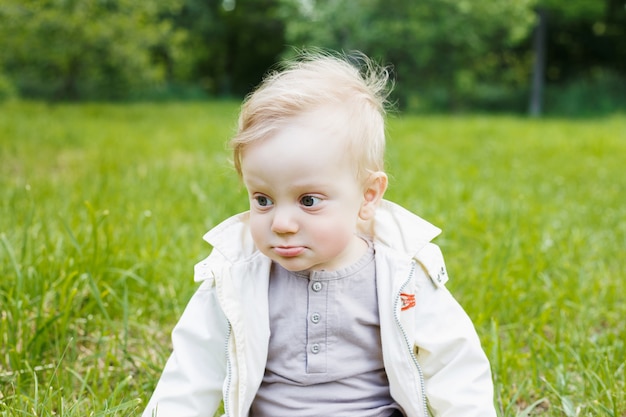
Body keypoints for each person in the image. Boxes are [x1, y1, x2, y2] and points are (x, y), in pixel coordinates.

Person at [142, 51, 497, 417]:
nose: (281, 222)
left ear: (368, 196)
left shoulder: (401, 275)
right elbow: (191, 369)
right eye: (262, 199)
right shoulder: (237, 274)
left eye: (308, 200)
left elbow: (455, 366)